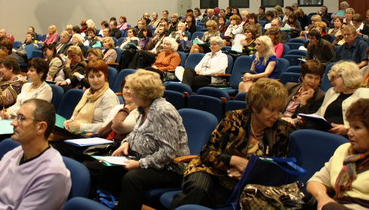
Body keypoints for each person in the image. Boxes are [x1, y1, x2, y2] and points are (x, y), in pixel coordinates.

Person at [170, 78, 295, 209]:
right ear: (254, 106)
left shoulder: (281, 130)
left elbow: (276, 168)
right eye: (271, 110)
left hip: (243, 183)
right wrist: (233, 160)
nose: (276, 115)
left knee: (214, 199)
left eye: (279, 110)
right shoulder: (233, 119)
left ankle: (181, 203)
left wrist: (249, 174)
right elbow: (207, 154)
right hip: (210, 170)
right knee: (200, 189)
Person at [0, 99, 71, 210]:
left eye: (22, 118)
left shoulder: (52, 175)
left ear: (41, 127)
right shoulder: (12, 154)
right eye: (16, 117)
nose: (13, 122)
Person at [112, 70, 189, 210]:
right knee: (109, 169)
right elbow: (137, 133)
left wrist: (139, 164)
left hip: (171, 168)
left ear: (144, 93)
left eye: (133, 90)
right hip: (149, 161)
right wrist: (126, 143)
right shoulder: (144, 108)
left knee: (133, 178)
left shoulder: (162, 111)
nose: (129, 93)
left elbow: (168, 152)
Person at [306, 99, 369, 210]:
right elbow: (315, 181)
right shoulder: (343, 150)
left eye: (357, 128)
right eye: (350, 126)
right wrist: (322, 197)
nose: (349, 133)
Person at [313, 61, 369, 135]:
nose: (331, 82)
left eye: (334, 78)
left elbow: (365, 124)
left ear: (346, 77)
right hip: (323, 130)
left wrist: (348, 128)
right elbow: (319, 114)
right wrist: (298, 119)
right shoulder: (331, 92)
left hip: (347, 136)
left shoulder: (365, 95)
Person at [63, 60, 119, 133]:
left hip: (95, 137)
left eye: (99, 76)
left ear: (105, 76)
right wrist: (71, 121)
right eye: (91, 76)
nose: (95, 80)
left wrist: (82, 127)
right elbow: (77, 114)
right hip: (79, 132)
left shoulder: (109, 97)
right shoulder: (87, 92)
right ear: (87, 78)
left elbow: (108, 126)